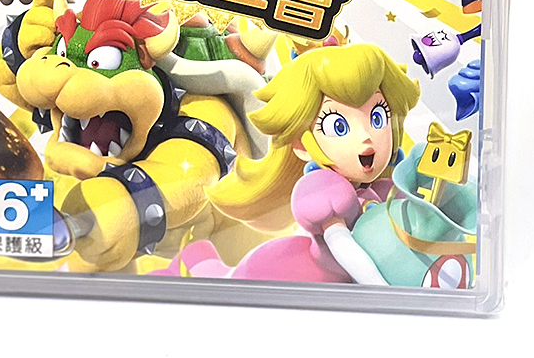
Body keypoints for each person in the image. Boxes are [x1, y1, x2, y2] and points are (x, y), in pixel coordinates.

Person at [156, 43, 419, 284]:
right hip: (282, 275)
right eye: (338, 126)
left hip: (333, 291)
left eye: (377, 117)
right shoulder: (323, 190)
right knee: (221, 280)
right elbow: (343, 248)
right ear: (302, 145)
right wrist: (384, 291)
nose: (366, 137)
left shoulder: (384, 191)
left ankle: (197, 258)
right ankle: (191, 262)